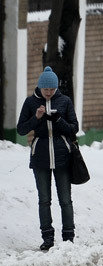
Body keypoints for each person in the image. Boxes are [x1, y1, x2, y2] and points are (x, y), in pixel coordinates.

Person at [16, 66, 80, 251]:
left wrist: (59, 120)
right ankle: (47, 237)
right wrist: (36, 118)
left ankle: (68, 237)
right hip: (40, 157)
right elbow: (21, 129)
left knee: (65, 199)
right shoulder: (30, 103)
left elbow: (74, 128)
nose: (49, 93)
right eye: (46, 90)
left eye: (52, 90)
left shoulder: (65, 101)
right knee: (44, 199)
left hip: (62, 156)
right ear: (40, 87)